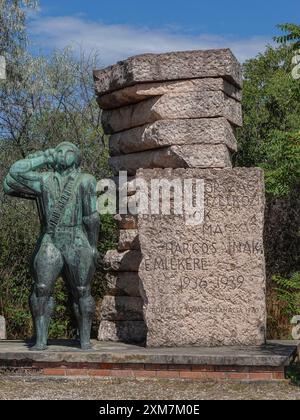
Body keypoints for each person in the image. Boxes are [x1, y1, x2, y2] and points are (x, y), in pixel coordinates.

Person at [3, 142, 100, 351]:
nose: (62, 154)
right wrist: (45, 156)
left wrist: (93, 246)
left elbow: (92, 217)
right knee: (41, 288)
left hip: (77, 237)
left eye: (68, 151)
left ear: (77, 157)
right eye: (59, 151)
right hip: (51, 238)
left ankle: (84, 339)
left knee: (82, 290)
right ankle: (41, 339)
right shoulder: (45, 179)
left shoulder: (86, 180)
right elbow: (15, 172)